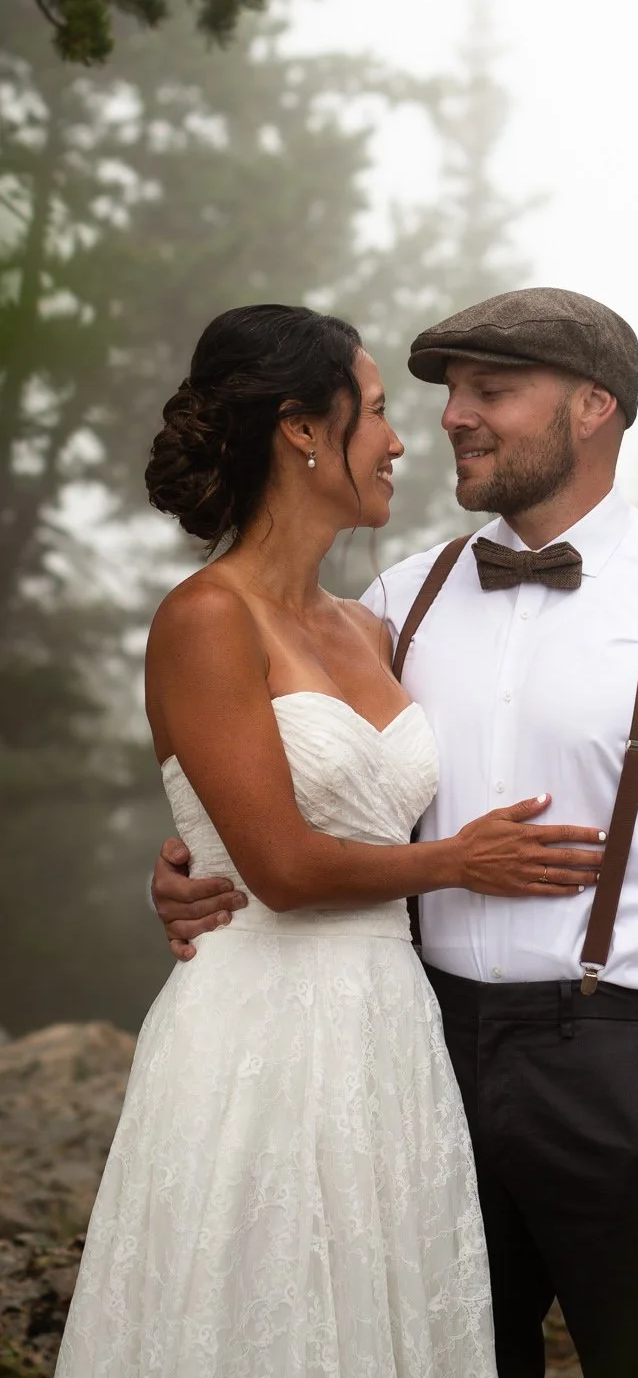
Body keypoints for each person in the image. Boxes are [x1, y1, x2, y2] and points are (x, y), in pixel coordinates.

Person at [154, 287, 638, 1378]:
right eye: (446, 391)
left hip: (622, 1059)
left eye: (492, 390)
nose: (454, 415)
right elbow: (292, 767)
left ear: (593, 407)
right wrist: (196, 861)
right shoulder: (397, 599)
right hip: (420, 1056)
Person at [61, 303, 605, 1378]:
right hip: (259, 1031)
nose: (403, 438)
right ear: (302, 429)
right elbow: (284, 865)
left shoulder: (373, 626)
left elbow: (364, 800)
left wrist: (187, 863)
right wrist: (458, 860)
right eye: (377, 411)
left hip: (389, 1030)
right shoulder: (204, 617)